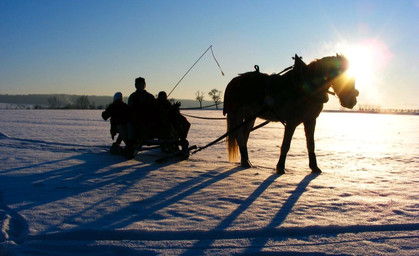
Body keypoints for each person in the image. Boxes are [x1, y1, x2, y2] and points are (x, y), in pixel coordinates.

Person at [102, 92, 135, 158]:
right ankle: (129, 145)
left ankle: (129, 145)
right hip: (118, 126)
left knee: (127, 126)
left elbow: (104, 115)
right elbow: (105, 115)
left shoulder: (116, 106)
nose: (118, 102)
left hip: (121, 126)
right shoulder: (116, 107)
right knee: (123, 128)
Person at [128, 77, 158, 142]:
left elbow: (156, 107)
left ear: (145, 85)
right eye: (138, 84)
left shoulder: (150, 96)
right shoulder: (133, 96)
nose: (140, 86)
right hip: (138, 120)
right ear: (135, 86)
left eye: (142, 84)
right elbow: (131, 110)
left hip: (150, 119)